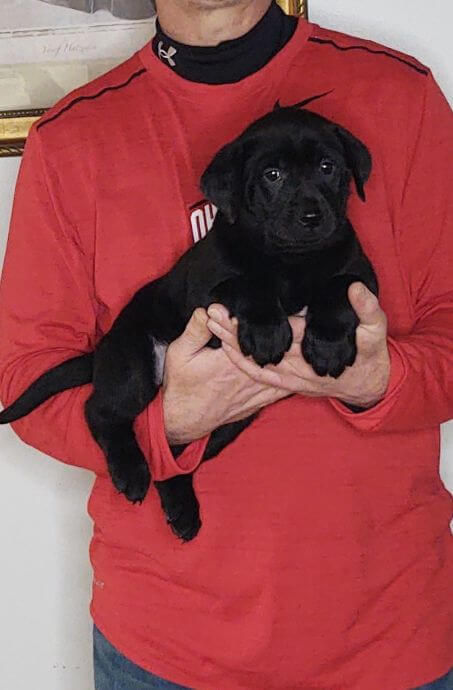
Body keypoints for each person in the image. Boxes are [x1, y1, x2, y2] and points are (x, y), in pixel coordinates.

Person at [0, 1, 452, 688]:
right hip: (166, 646)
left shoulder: (399, 96)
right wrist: (166, 422)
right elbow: (22, 378)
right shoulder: (75, 138)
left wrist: (378, 381)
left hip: (389, 638)